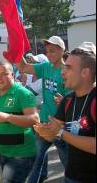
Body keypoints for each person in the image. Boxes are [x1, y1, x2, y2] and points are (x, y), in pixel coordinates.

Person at [34, 42, 96, 183]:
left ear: (85, 72)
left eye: (68, 67)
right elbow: (53, 131)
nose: (62, 71)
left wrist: (61, 133)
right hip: (70, 176)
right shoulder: (67, 100)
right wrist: (44, 130)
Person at [15, 36, 70, 183]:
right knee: (35, 162)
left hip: (61, 126)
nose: (49, 54)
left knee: (69, 166)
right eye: (47, 51)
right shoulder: (46, 67)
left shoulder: (68, 71)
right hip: (44, 123)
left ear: (61, 50)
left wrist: (63, 102)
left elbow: (74, 100)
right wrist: (16, 47)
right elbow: (23, 67)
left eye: (52, 51)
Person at [0, 61, 40, 183]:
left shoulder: (22, 93)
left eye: (4, 74)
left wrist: (8, 117)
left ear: (12, 76)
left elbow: (35, 119)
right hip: (4, 152)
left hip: (21, 154)